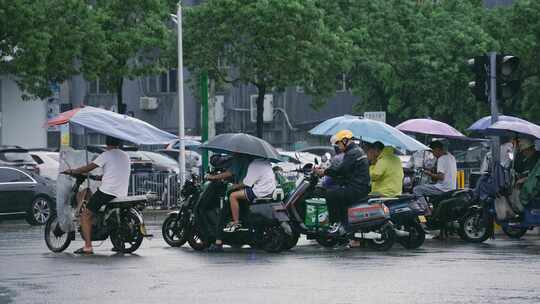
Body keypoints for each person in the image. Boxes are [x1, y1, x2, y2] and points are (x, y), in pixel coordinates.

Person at [64, 136, 131, 255]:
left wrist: (73, 171)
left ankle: (88, 247)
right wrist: (99, 177)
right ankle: (116, 242)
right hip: (122, 192)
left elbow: (88, 167)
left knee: (85, 215)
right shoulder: (125, 155)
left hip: (108, 192)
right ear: (119, 144)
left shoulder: (106, 155)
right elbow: (114, 172)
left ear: (106, 144)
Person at [206, 155, 276, 252]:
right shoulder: (263, 162)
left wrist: (214, 178)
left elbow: (232, 175)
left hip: (252, 190)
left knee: (225, 210)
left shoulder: (243, 160)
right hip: (266, 189)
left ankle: (219, 240)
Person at [314, 130, 371, 235]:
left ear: (345, 140)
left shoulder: (352, 153)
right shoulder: (357, 151)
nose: (338, 146)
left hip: (356, 188)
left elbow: (342, 170)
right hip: (360, 186)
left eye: (339, 143)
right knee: (335, 191)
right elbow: (347, 172)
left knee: (330, 194)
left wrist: (324, 172)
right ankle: (343, 222)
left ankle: (335, 224)